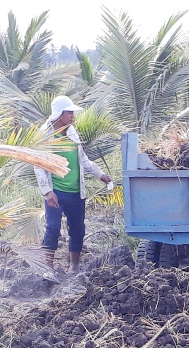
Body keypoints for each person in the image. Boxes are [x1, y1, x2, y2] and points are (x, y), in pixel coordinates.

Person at [34, 95, 113, 276]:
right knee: (53, 228)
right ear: (60, 114)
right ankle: (48, 268)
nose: (72, 116)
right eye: (70, 112)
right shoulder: (44, 135)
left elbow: (82, 159)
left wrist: (100, 174)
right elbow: (38, 165)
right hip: (56, 191)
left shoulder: (72, 132)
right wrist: (47, 192)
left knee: (77, 228)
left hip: (76, 191)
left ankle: (74, 266)